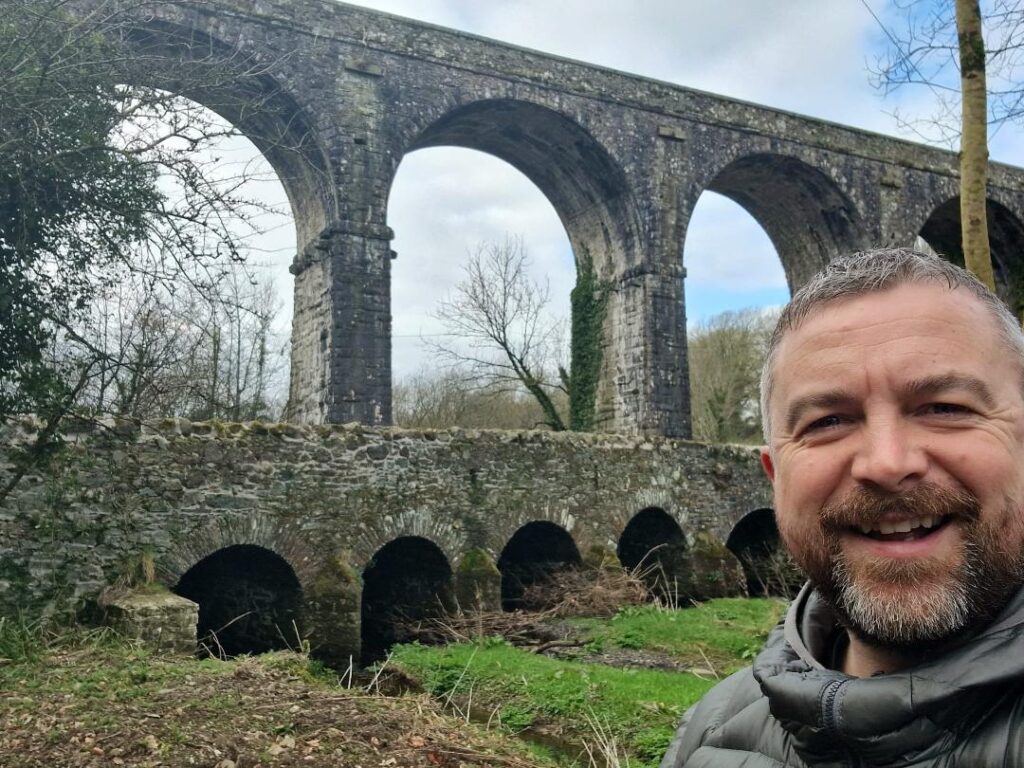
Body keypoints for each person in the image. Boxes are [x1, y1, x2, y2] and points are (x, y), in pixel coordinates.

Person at [665, 247, 1024, 767]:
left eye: (945, 407)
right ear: (775, 477)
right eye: (827, 421)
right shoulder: (709, 733)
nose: (886, 462)